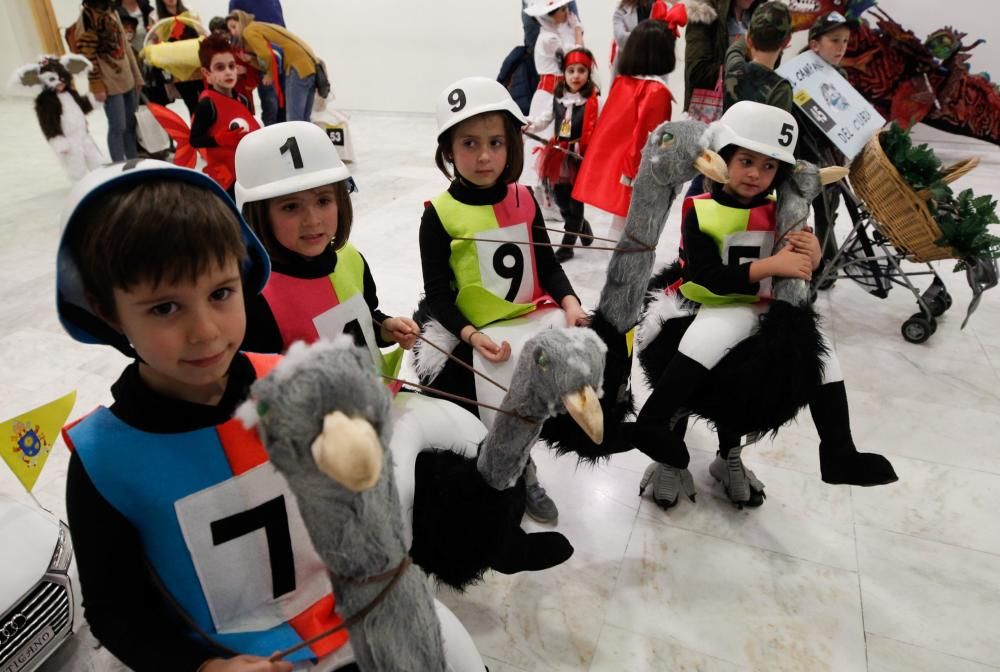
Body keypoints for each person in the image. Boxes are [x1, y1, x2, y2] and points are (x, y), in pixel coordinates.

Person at [56, 160, 353, 671]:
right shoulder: (102, 461)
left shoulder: (293, 379)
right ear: (106, 311)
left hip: (355, 623)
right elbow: (115, 610)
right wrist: (202, 668)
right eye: (164, 308)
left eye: (220, 294)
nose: (206, 332)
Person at [632, 102, 897, 508]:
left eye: (769, 166)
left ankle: (838, 451)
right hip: (713, 302)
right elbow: (704, 275)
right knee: (700, 346)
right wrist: (772, 264)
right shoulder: (700, 210)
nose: (756, 173)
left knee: (824, 361)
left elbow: (801, 268)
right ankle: (655, 425)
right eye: (746, 160)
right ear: (722, 157)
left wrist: (813, 255)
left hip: (762, 305)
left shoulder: (782, 211)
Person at [416, 77, 587, 524]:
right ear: (449, 149)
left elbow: (547, 265)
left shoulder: (526, 199)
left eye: (495, 142)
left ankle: (528, 461)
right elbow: (436, 296)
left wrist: (570, 302)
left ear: (512, 144)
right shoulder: (437, 216)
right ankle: (513, 470)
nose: (485, 156)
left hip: (532, 317)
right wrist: (471, 336)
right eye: (469, 143)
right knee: (495, 401)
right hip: (479, 333)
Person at [236, 121, 419, 365]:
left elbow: (362, 322)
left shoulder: (351, 257)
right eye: (291, 207)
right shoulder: (255, 296)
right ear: (258, 214)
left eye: (323, 201)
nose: (312, 221)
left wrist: (385, 328)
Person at [572, 15, 683, 232]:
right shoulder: (656, 91)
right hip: (637, 170)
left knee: (621, 221)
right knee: (634, 227)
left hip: (620, 166)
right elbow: (648, 139)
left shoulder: (624, 83)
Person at [524, 47, 600, 261]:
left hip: (579, 157)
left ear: (588, 74)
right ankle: (582, 226)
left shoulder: (593, 102)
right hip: (558, 155)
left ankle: (567, 245)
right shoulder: (557, 98)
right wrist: (529, 126)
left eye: (581, 71)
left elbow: (602, 130)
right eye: (571, 71)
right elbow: (544, 120)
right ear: (564, 74)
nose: (576, 76)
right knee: (561, 200)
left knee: (576, 202)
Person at [798, 11, 858, 266]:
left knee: (827, 210)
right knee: (799, 211)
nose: (841, 47)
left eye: (845, 41)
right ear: (815, 44)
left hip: (832, 155)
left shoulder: (841, 77)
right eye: (834, 40)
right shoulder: (797, 76)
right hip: (804, 155)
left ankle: (825, 261)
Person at [521, 0, 583, 195]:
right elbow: (578, 56)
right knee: (544, 145)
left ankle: (554, 191)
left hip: (559, 98)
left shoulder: (554, 35)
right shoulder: (549, 39)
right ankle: (544, 195)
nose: (567, 13)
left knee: (560, 141)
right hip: (548, 99)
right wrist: (578, 30)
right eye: (562, 10)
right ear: (551, 14)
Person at [71, 0, 144, 162]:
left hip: (127, 78)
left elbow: (125, 46)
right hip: (109, 82)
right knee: (118, 127)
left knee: (130, 126)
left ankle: (134, 163)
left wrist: (136, 75)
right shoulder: (87, 19)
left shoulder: (113, 12)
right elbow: (87, 57)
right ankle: (119, 167)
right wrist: (97, 85)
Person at [189, 35, 260, 194]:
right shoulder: (207, 105)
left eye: (231, 66)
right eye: (220, 68)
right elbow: (194, 140)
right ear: (207, 73)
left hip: (248, 170)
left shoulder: (242, 99)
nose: (228, 72)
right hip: (225, 177)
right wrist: (217, 140)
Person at [227, 10, 318, 123]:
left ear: (241, 21)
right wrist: (251, 60)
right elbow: (270, 54)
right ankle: (306, 141)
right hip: (309, 67)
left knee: (294, 120)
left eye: (234, 27)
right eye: (230, 29)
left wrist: (270, 74)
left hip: (296, 68)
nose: (233, 32)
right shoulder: (258, 26)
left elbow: (266, 54)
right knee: (304, 120)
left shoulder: (248, 31)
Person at [683, 0, 763, 113]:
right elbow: (696, 73)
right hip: (713, 115)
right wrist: (742, 63)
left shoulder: (757, 14)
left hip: (746, 111)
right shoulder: (704, 12)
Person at [722, 1, 793, 112]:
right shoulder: (780, 88)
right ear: (786, 42)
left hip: (724, 130)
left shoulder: (734, 68)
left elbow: (734, 49)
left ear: (749, 41)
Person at [228, 0, 285, 123]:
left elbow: (281, 26)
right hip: (261, 60)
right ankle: (270, 136)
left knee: (282, 103)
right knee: (270, 103)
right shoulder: (237, 2)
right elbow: (234, 30)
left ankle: (283, 134)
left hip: (280, 57)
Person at [150, 0, 205, 116]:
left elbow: (201, 33)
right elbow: (157, 43)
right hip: (177, 70)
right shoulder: (155, 17)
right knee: (192, 104)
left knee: (206, 101)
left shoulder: (190, 12)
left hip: (196, 66)